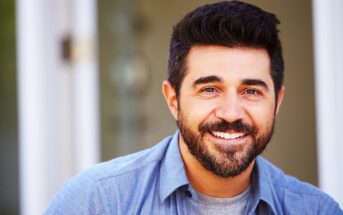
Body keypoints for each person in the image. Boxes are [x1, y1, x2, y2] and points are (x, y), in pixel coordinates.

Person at [45, 1, 342, 214]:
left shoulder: (316, 209)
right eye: (210, 89)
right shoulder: (97, 201)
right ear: (173, 100)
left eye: (250, 91)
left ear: (277, 101)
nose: (230, 112)